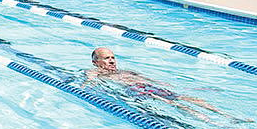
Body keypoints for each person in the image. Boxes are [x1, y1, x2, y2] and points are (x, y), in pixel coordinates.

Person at [86, 47, 223, 116]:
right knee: (170, 102)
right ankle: (210, 122)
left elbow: (150, 80)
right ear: (95, 62)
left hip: (147, 86)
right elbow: (89, 81)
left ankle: (225, 115)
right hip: (137, 91)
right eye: (106, 58)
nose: (111, 61)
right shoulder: (96, 72)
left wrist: (173, 86)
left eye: (113, 57)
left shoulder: (126, 71)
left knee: (185, 97)